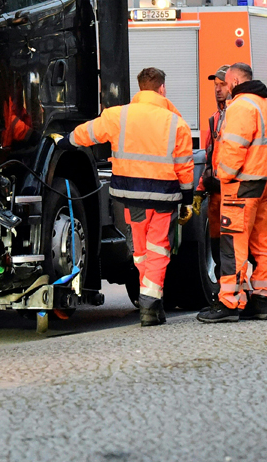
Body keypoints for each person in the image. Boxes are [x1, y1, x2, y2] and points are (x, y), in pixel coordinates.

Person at [59, 67, 193, 327]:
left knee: (141, 250)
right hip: (163, 198)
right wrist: (187, 198)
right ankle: (150, 304)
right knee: (158, 250)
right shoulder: (177, 123)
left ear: (139, 88)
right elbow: (184, 166)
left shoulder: (118, 115)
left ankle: (151, 301)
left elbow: (88, 132)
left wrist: (64, 142)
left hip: (131, 196)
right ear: (162, 89)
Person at [197, 62, 267, 323]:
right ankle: (261, 300)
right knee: (261, 244)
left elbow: (234, 148)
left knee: (232, 245)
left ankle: (228, 302)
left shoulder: (241, 107)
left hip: (240, 187)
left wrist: (220, 178)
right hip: (264, 185)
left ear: (234, 80)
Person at [194, 64, 231, 276]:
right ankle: (225, 294)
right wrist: (200, 189)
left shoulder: (235, 116)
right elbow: (210, 157)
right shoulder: (215, 119)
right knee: (218, 251)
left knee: (232, 251)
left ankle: (234, 297)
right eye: (216, 85)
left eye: (222, 84)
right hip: (216, 194)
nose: (217, 89)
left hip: (232, 193)